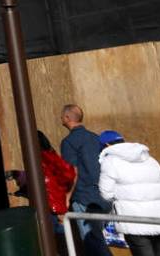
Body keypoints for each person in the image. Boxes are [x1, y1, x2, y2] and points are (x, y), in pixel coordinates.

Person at [99, 130, 160, 256]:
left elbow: (106, 193)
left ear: (106, 146)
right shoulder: (149, 159)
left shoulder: (110, 162)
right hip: (158, 218)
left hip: (133, 221)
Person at [61, 104, 113, 256]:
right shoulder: (96, 138)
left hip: (84, 197)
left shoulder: (69, 142)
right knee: (99, 239)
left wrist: (67, 198)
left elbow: (72, 172)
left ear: (67, 118)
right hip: (103, 196)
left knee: (92, 241)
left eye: (62, 116)